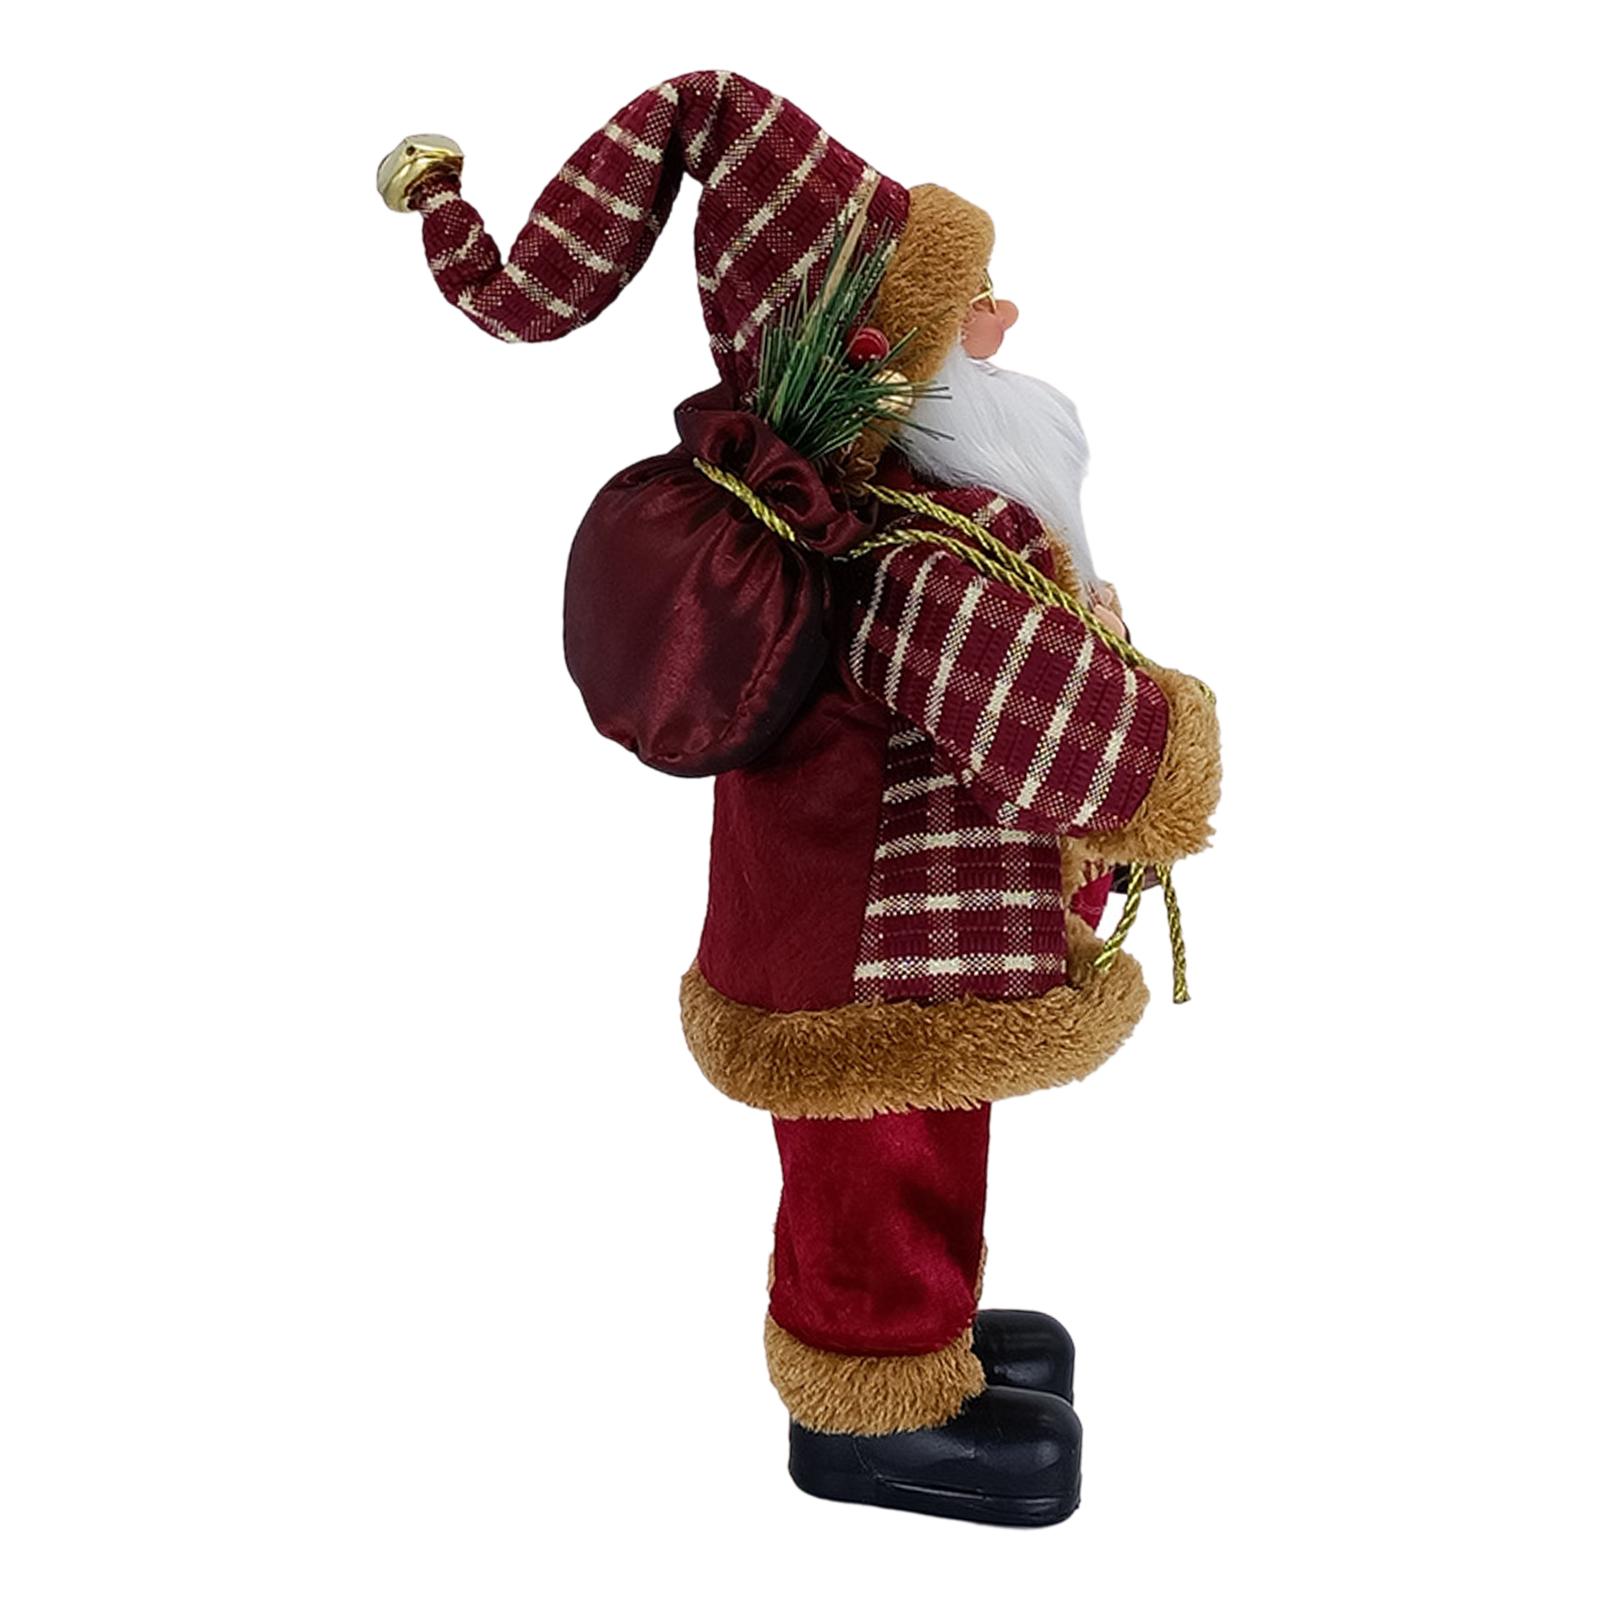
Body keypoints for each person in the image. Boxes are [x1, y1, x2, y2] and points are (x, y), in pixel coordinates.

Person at [377, 69, 1220, 1527]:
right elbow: (1047, 716)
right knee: (876, 1167)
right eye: (972, 309)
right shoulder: (903, 556)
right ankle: (868, 1416)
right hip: (870, 957)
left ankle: (922, 1332)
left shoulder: (895, 525)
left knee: (911, 1149)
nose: (1005, 323)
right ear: (886, 363)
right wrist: (1163, 761)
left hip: (867, 935)